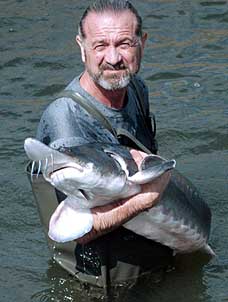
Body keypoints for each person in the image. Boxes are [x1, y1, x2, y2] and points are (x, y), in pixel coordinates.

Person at [31, 0, 173, 294]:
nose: (113, 58)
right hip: (102, 285)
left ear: (142, 44)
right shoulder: (65, 120)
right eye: (100, 45)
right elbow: (81, 231)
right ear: (81, 47)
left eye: (124, 43)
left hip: (152, 259)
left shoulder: (135, 87)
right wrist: (145, 200)